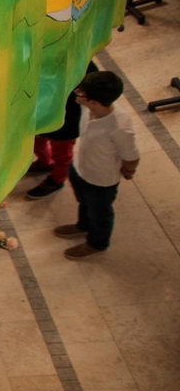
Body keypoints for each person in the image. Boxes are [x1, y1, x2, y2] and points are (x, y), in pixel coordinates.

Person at [55, 70, 139, 259]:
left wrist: (129, 170)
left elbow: (132, 156)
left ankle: (97, 243)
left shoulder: (119, 127)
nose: (77, 92)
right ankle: (83, 225)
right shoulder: (88, 108)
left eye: (81, 93)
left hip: (100, 180)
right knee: (84, 202)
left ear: (94, 102)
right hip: (80, 167)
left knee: (100, 213)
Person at [28, 62, 99, 199]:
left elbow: (93, 92)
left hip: (67, 118)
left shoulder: (84, 63)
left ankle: (57, 179)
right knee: (36, 142)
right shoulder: (41, 56)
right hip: (41, 112)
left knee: (62, 153)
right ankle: (45, 162)